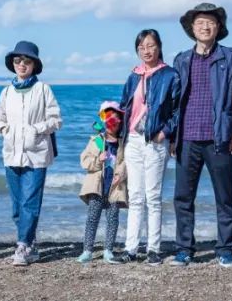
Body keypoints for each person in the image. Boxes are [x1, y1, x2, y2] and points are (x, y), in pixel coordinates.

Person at [169, 3, 232, 269]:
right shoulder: (181, 59)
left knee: (224, 196)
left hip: (221, 138)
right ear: (191, 29)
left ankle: (225, 250)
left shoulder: (231, 57)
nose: (205, 26)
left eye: (210, 22)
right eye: (200, 22)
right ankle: (184, 250)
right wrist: (172, 136)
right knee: (183, 197)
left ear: (219, 28)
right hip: (187, 138)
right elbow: (173, 102)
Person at [0, 41, 62, 266]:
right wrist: (5, 131)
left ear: (34, 65)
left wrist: (36, 130)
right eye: (17, 61)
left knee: (30, 201)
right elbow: (0, 118)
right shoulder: (6, 92)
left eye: (26, 61)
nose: (21, 65)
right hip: (11, 153)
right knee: (16, 204)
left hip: (37, 154)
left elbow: (56, 120)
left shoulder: (43, 90)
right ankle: (29, 243)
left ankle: (22, 245)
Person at [119, 29, 181, 264]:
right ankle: (130, 249)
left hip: (155, 141)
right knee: (135, 197)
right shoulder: (133, 76)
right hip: (134, 140)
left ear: (159, 46)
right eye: (141, 47)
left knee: (153, 197)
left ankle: (153, 249)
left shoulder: (170, 75)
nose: (146, 51)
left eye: (150, 45)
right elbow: (124, 106)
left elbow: (177, 110)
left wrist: (165, 133)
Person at [77, 102, 128, 263]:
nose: (112, 123)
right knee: (92, 218)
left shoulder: (123, 144)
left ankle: (108, 250)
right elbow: (84, 161)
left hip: (115, 187)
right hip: (97, 187)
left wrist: (121, 175)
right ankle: (87, 250)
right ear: (103, 121)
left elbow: (127, 163)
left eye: (115, 119)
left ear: (120, 122)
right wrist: (98, 159)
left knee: (113, 219)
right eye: (108, 119)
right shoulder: (96, 141)